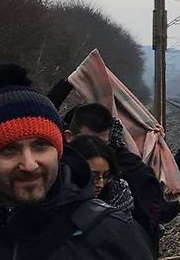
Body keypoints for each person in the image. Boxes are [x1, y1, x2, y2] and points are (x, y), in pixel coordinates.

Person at [0, 64, 152, 259]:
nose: (29, 164)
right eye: (9, 149)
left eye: (40, 146)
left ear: (58, 150)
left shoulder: (115, 236)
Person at [68, 103, 161, 249]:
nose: (96, 149)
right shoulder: (56, 182)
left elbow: (147, 217)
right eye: (88, 141)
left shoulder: (125, 176)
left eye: (102, 142)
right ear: (69, 138)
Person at [67, 135, 136, 217]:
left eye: (106, 176)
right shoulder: (58, 198)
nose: (100, 184)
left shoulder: (118, 192)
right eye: (93, 176)